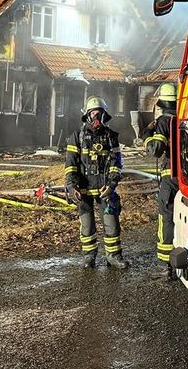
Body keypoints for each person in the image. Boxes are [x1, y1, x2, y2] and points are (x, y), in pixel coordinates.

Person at [64, 96, 129, 269]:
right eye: (93, 113)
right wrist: (71, 186)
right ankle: (89, 257)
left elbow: (116, 164)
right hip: (83, 190)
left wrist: (112, 185)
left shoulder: (110, 136)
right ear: (87, 115)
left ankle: (113, 257)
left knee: (111, 223)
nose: (97, 116)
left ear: (104, 115)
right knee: (86, 226)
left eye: (99, 113)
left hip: (104, 189)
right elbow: (70, 164)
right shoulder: (77, 136)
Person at [142, 83, 178, 279]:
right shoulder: (184, 117)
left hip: (170, 178)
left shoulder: (164, 121)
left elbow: (155, 150)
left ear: (162, 103)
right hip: (187, 178)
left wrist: (147, 135)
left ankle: (166, 266)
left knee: (167, 218)